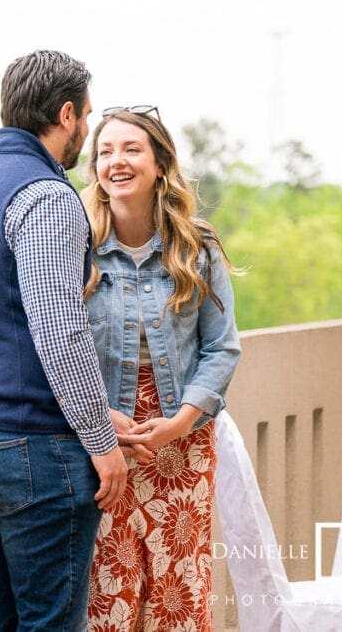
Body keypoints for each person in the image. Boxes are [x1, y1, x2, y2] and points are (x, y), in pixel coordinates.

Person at [0, 50, 128, 631]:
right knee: (51, 624)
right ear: (66, 114)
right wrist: (101, 442)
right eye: (86, 118)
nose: (85, 133)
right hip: (35, 448)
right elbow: (60, 336)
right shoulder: (47, 197)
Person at [80, 106, 242, 631]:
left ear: (159, 163)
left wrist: (178, 424)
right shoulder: (76, 247)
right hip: (107, 440)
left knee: (179, 593)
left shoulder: (197, 246)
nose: (116, 161)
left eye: (131, 149)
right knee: (109, 592)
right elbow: (60, 345)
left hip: (184, 438)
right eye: (105, 151)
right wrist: (98, 415)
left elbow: (222, 348)